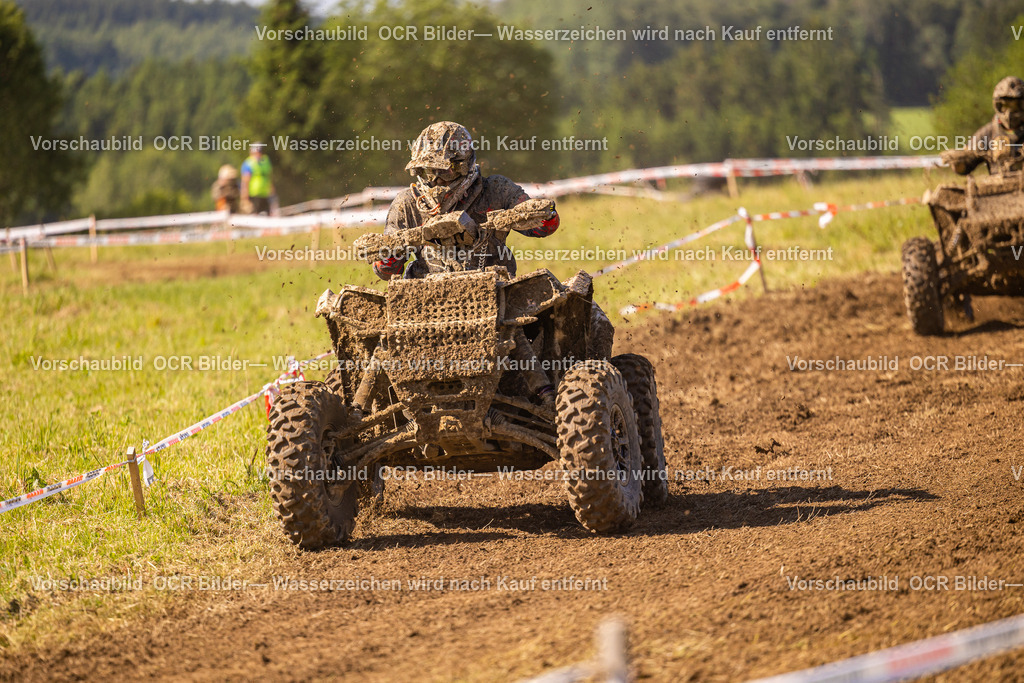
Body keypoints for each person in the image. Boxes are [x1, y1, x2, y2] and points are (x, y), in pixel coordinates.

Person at [374, 121, 614, 405]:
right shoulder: (407, 204)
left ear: (463, 165)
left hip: (497, 294)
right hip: (424, 303)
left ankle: (566, 395)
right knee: (373, 331)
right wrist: (388, 255)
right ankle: (365, 405)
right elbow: (385, 268)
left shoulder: (495, 190)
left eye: (443, 171)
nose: (435, 180)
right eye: (428, 172)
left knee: (579, 310)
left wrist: (538, 212)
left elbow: (544, 227)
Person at [945, 76, 1024, 176]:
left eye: (1014, 107)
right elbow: (966, 166)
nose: (1009, 113)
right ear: (997, 106)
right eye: (1004, 106)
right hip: (997, 184)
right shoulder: (987, 133)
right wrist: (957, 162)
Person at [240, 142, 276, 214]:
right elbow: (245, 181)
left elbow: (269, 176)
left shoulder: (266, 160)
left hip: (265, 193)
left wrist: (272, 190)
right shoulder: (248, 163)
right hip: (254, 194)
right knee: (255, 214)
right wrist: (244, 197)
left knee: (267, 214)